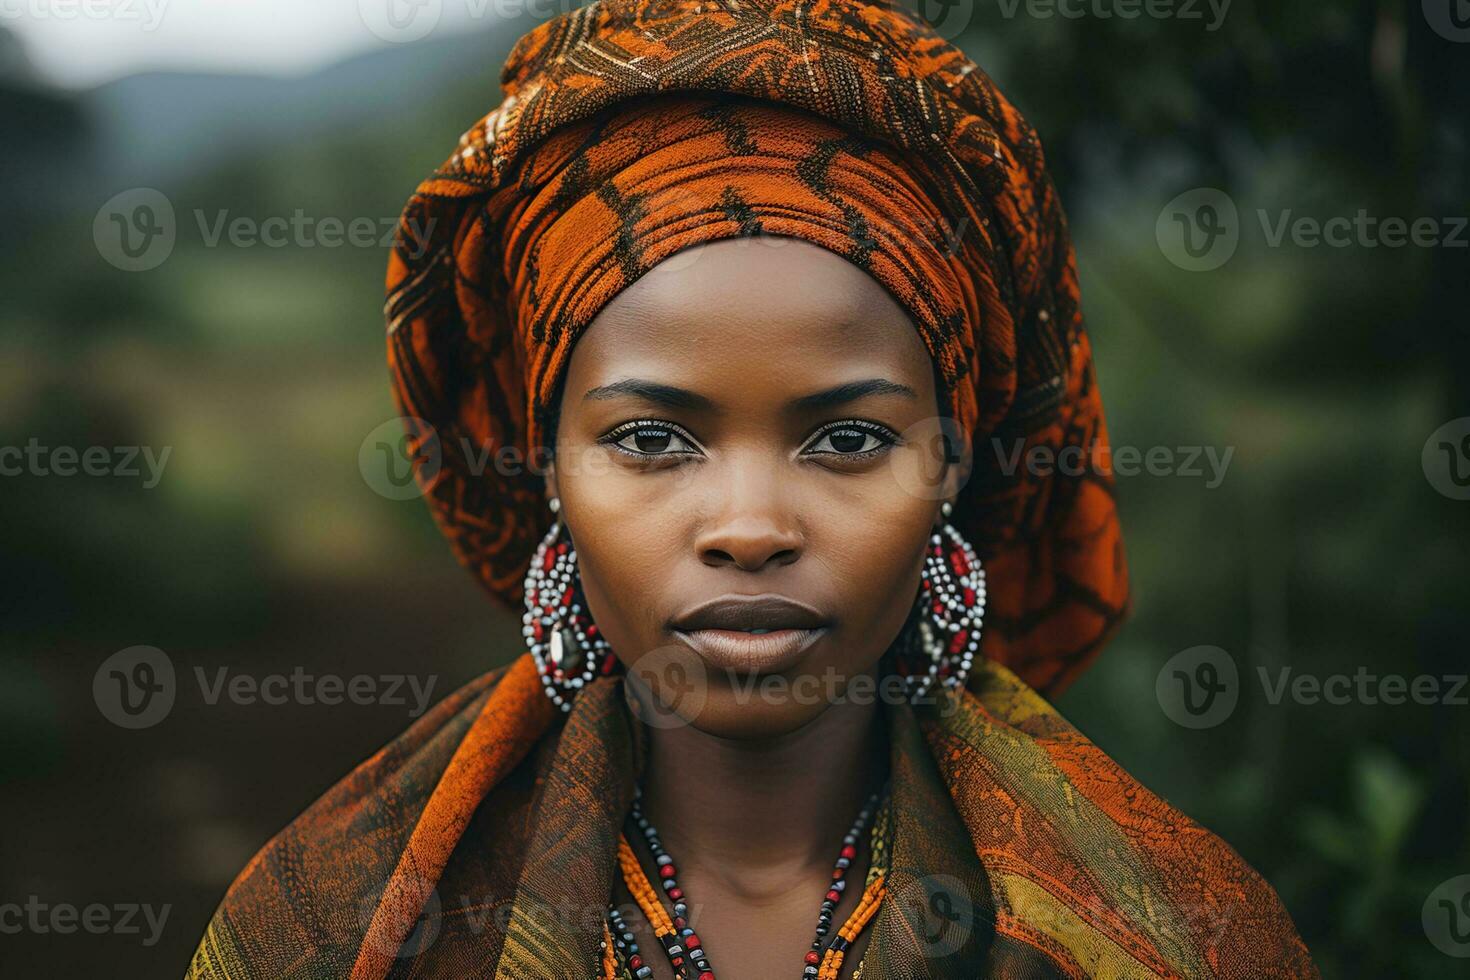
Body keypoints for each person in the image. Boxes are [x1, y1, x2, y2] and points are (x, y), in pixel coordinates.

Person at [187, 0, 1317, 976]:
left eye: (847, 440)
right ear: (546, 469)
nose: (749, 526)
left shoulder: (1185, 933)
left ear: (953, 467)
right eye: (648, 437)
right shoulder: (336, 925)